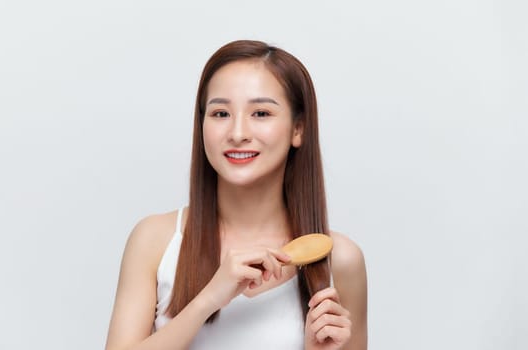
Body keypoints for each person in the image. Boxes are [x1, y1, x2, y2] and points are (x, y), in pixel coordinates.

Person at [105, 40, 368, 350]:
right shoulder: (155, 240)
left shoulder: (340, 259)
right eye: (220, 114)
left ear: (299, 129)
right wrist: (209, 299)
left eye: (260, 113)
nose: (238, 133)